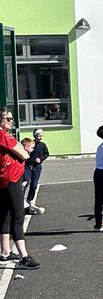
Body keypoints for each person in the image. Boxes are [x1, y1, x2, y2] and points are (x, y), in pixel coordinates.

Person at [0, 108, 40, 268]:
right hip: (11, 178)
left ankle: (5, 251)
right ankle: (24, 255)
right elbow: (25, 154)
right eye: (8, 119)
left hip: (5, 178)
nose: (11, 121)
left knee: (5, 214)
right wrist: (21, 149)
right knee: (18, 215)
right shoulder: (4, 135)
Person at [24, 128, 49, 213]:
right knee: (25, 183)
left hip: (37, 167)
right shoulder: (31, 143)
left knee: (34, 185)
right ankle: (21, 201)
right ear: (34, 135)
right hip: (28, 166)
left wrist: (41, 159)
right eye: (38, 135)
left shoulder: (42, 145)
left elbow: (46, 154)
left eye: (41, 135)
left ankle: (29, 200)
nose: (40, 137)